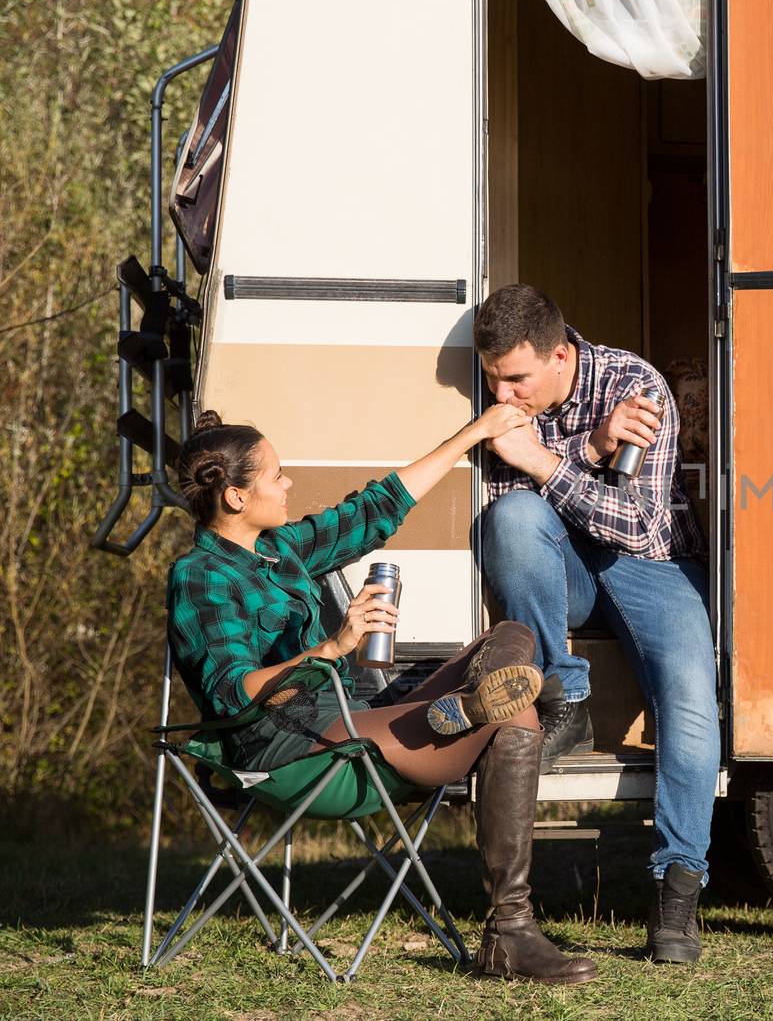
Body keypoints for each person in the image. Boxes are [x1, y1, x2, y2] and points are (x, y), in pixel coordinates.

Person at [167, 407, 597, 985]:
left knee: (511, 635)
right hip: (286, 748)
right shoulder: (199, 575)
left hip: (348, 723)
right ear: (237, 498)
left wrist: (474, 434)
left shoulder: (282, 550)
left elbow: (377, 506)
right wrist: (332, 647)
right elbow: (231, 694)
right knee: (515, 708)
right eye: (274, 475)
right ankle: (509, 932)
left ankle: (467, 708)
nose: (287, 482)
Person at [474, 284, 718, 965]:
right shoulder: (498, 390)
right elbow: (510, 506)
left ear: (560, 356)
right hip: (566, 568)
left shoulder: (634, 382)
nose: (504, 394)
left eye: (517, 378)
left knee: (691, 699)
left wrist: (550, 458)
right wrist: (588, 449)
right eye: (494, 377)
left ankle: (677, 891)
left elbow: (640, 526)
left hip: (656, 563)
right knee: (513, 520)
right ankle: (566, 696)